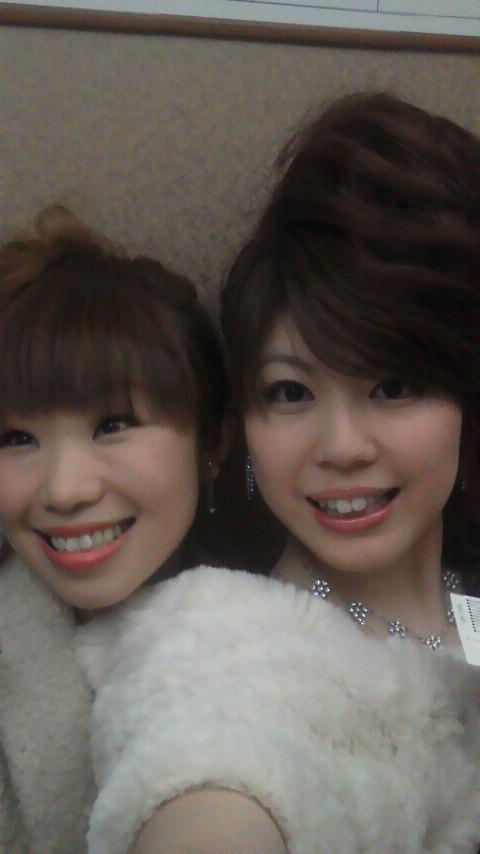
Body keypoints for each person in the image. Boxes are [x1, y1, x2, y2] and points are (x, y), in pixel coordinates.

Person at [72, 93, 480, 854]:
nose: (343, 446)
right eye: (291, 392)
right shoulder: (220, 654)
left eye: (394, 386)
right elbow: (214, 780)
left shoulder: (468, 606)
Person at [0, 206, 228, 854]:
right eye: (16, 437)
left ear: (211, 441)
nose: (65, 489)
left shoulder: (272, 642)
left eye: (114, 425)